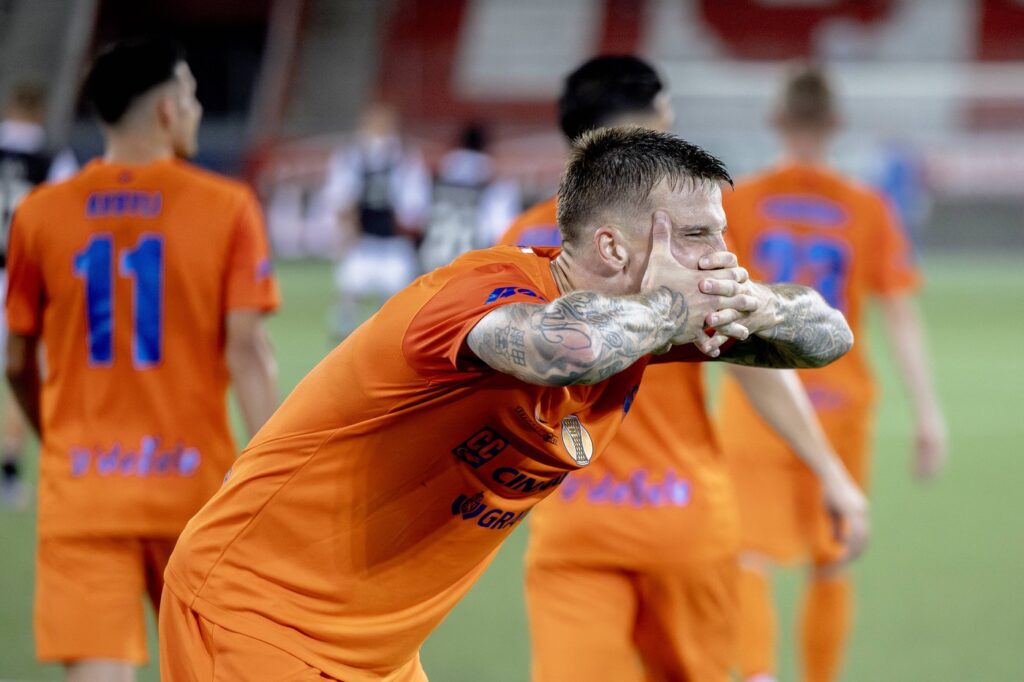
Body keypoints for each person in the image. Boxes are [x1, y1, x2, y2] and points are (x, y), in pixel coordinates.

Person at [159, 124, 853, 681]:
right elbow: (559, 349)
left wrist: (751, 301)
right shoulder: (482, 292)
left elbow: (827, 335)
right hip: (257, 615)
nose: (721, 254)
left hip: (377, 650)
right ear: (613, 246)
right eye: (699, 235)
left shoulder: (642, 322)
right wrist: (673, 305)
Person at [503, 55, 866, 682]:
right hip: (685, 519)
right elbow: (755, 358)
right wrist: (829, 469)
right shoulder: (689, 245)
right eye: (667, 121)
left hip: (574, 518)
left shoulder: (521, 244)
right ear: (641, 135)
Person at [5, 38, 279, 681]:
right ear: (165, 112)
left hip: (83, 490)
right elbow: (248, 355)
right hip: (193, 492)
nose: (198, 109)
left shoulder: (38, 216)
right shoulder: (226, 205)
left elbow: (16, 358)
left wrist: (59, 439)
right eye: (190, 96)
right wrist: (274, 480)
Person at [714, 65, 947, 682]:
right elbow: (899, 312)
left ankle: (758, 673)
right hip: (840, 401)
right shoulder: (865, 207)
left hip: (759, 400)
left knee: (751, 554)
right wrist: (927, 412)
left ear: (780, 123)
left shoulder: (743, 202)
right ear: (835, 126)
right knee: (834, 557)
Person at [0, 82, 78, 507]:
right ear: (39, 111)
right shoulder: (52, 159)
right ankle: (11, 472)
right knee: (25, 369)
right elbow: (67, 222)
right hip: (24, 278)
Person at [318, 102, 431, 338]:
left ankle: (382, 342)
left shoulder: (405, 158)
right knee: (348, 296)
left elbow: (414, 207)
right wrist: (345, 232)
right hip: (363, 241)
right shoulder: (351, 157)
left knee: (394, 306)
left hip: (393, 243)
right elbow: (339, 200)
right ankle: (344, 347)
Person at [418, 122, 520, 272]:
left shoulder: (438, 172)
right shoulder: (494, 178)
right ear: (486, 145)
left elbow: (414, 216)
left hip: (431, 263)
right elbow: (502, 230)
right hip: (472, 265)